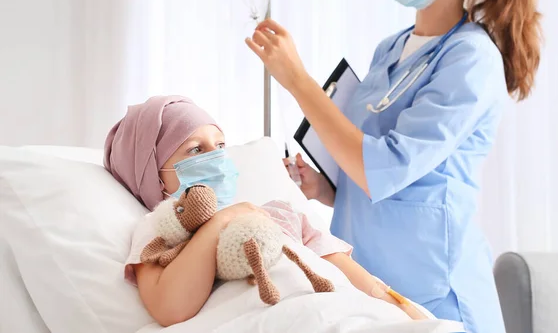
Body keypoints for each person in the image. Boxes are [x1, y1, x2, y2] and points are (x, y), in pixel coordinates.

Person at [245, 0, 541, 331]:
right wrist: (331, 188)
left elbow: (383, 166)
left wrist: (297, 79)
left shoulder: (471, 59)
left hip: (435, 292)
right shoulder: (392, 49)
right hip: (370, 282)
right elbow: (382, 176)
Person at [103, 95, 428, 327]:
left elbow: (365, 285)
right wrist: (218, 223)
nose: (215, 158)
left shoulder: (279, 213)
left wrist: (407, 313)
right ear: (151, 175)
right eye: (195, 149)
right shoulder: (159, 229)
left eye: (219, 146)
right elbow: (170, 308)